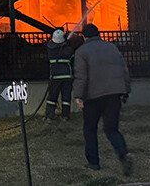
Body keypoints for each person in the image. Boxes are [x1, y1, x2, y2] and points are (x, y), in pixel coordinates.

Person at [73, 23, 133, 175]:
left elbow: (81, 76)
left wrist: (79, 96)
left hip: (93, 97)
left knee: (90, 129)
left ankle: (93, 162)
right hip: (114, 95)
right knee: (112, 129)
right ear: (98, 34)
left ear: (84, 36)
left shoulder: (81, 52)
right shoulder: (112, 48)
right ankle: (123, 153)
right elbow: (124, 69)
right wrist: (125, 90)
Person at [45, 28, 75, 121]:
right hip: (67, 77)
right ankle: (65, 116)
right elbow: (73, 61)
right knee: (66, 97)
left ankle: (49, 115)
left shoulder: (50, 50)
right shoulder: (69, 50)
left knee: (52, 96)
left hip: (55, 77)